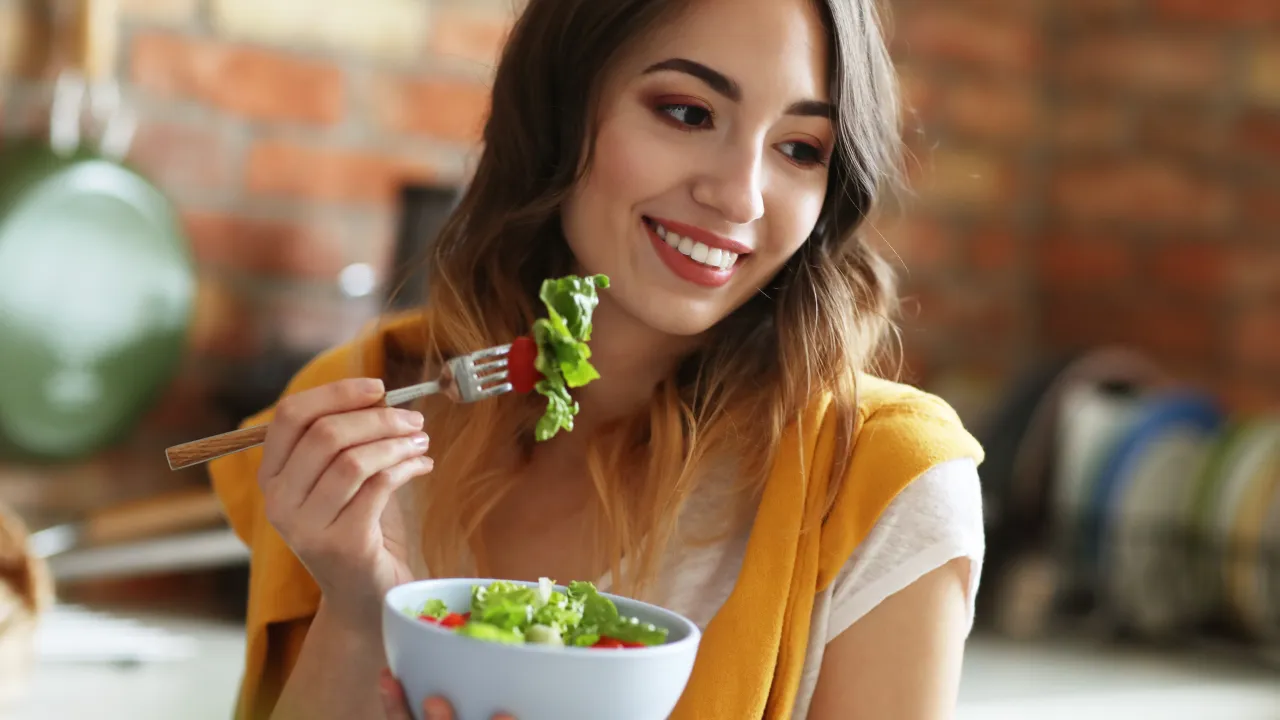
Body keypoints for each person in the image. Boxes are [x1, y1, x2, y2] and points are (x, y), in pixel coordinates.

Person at [208, 0, 987, 717]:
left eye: (798, 148)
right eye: (688, 112)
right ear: (559, 109)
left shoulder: (881, 477)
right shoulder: (365, 410)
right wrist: (355, 609)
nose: (741, 195)